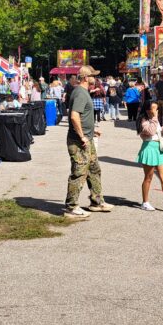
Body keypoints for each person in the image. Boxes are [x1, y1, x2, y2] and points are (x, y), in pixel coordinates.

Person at [63, 65, 111, 218]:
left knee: (94, 170)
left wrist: (92, 131)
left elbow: (82, 117)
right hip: (79, 142)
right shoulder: (80, 93)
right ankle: (71, 207)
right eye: (93, 76)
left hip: (87, 139)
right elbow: (74, 116)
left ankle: (97, 202)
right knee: (79, 172)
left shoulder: (83, 92)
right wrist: (82, 136)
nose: (95, 78)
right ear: (85, 78)